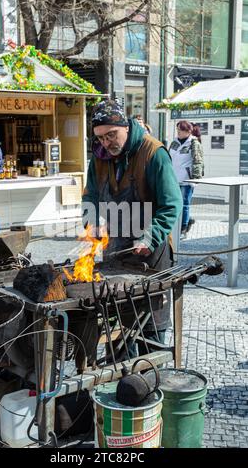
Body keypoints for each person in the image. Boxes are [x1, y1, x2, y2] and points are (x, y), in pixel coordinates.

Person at [82, 99, 182, 355]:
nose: (106, 143)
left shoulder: (153, 153)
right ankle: (120, 385)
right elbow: (90, 195)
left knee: (150, 326)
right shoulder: (99, 158)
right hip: (116, 249)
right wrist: (92, 222)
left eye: (111, 135)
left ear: (125, 126)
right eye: (101, 138)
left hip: (151, 253)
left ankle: (149, 379)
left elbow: (171, 204)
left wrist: (150, 236)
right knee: (116, 322)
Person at [169, 120, 204, 237]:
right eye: (177, 129)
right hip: (174, 178)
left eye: (181, 130)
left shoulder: (193, 143)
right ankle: (182, 223)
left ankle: (183, 227)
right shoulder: (174, 142)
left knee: (184, 203)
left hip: (186, 179)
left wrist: (195, 179)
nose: (178, 132)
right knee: (174, 203)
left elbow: (198, 161)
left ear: (188, 131)